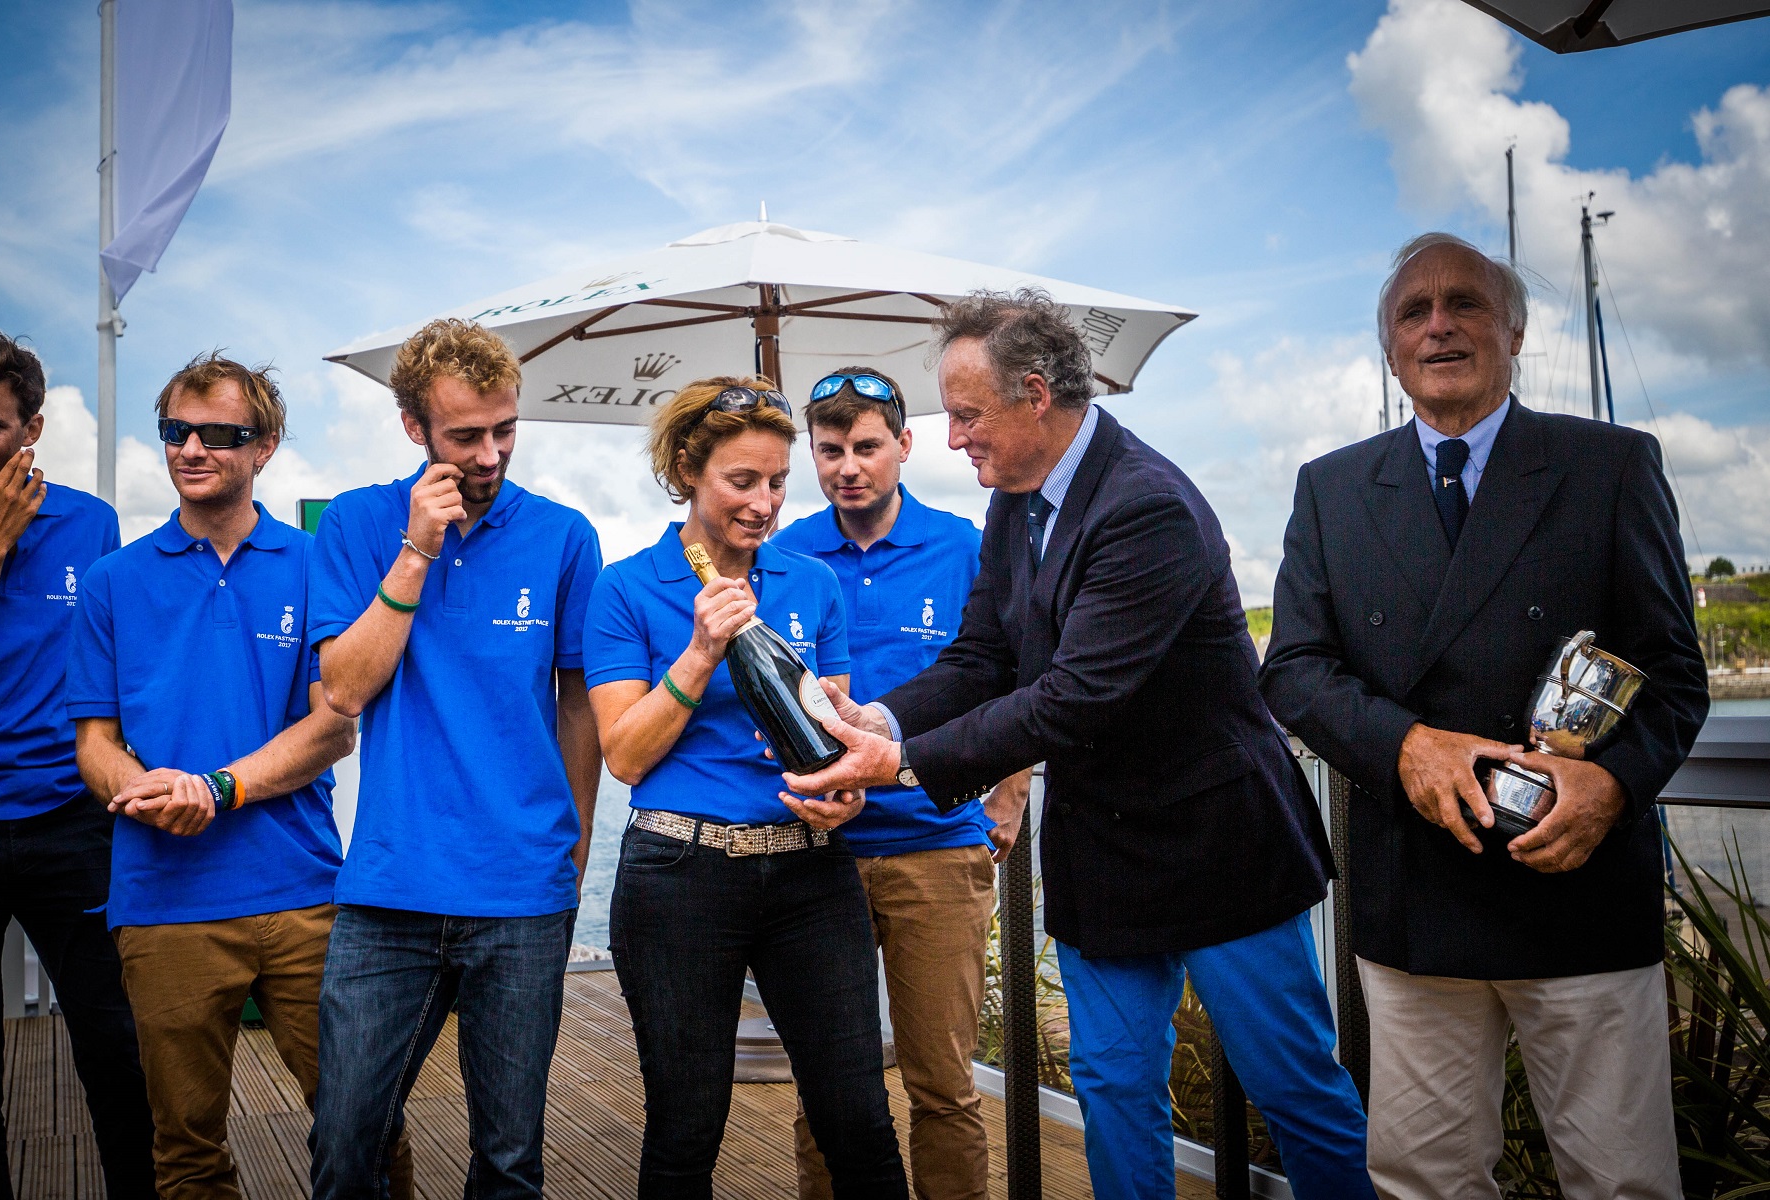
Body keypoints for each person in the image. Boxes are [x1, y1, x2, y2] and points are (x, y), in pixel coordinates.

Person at [784, 290, 1375, 1200]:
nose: (954, 441)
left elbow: (1073, 698)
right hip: (1104, 850)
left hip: (1221, 848)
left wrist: (900, 765)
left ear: (1035, 394)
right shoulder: (1014, 504)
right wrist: (883, 721)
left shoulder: (1149, 507)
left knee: (1294, 1090)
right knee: (1111, 1086)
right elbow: (985, 655)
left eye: (969, 416)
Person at [1259, 233, 1707, 1200]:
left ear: (1513, 330)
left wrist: (1614, 783)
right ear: (1390, 351)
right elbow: (1292, 671)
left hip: (1579, 889)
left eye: (1464, 303)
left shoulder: (1611, 465)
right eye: (1413, 313)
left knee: (1621, 1181)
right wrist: (1407, 746)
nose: (1439, 325)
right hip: (1415, 897)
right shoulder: (1331, 488)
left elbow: (1674, 673)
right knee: (1424, 1179)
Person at [69, 353, 408, 1200]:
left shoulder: (312, 563)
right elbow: (93, 743)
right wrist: (138, 791)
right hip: (163, 904)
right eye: (177, 431)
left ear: (265, 446)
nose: (193, 448)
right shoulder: (113, 582)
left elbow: (335, 725)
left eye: (220, 433)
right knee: (185, 1150)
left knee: (364, 1123)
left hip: (304, 896)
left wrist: (217, 788)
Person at [582, 375, 907, 1198]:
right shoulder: (625, 588)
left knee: (859, 1119)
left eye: (776, 482)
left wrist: (849, 788)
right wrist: (698, 650)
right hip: (680, 876)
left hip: (810, 871)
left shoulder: (810, 583)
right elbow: (623, 755)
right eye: (741, 481)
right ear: (690, 469)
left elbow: (831, 724)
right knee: (687, 1125)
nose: (764, 503)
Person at [305, 318, 603, 1200]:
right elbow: (345, 690)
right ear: (414, 428)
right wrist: (417, 548)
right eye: (466, 434)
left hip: (522, 889)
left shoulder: (563, 535)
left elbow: (579, 703)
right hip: (390, 887)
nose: (490, 453)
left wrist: (578, 845)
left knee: (510, 1160)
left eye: (505, 430)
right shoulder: (361, 523)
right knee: (345, 1138)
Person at [773, 366, 1029, 1200]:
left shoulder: (964, 545)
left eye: (868, 447)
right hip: (820, 854)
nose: (850, 466)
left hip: (937, 850)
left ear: (904, 446)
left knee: (944, 1086)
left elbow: (1013, 679)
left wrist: (1012, 791)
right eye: (831, 449)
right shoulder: (785, 555)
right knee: (828, 1090)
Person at [0, 331, 156, 1200]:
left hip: (71, 820)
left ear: (32, 428)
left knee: (113, 1043)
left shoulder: (92, 524)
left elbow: (117, 672)